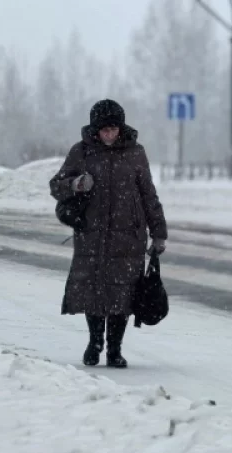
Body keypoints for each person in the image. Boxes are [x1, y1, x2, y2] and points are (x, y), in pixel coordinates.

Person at [49, 99, 168, 368]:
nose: (109, 135)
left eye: (114, 129)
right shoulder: (81, 152)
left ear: (121, 128)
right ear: (95, 129)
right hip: (92, 235)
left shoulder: (136, 153)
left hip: (129, 236)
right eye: (104, 130)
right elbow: (57, 186)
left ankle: (115, 349)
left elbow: (148, 194)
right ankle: (95, 342)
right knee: (94, 291)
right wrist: (76, 184)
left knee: (123, 294)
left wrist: (159, 233)